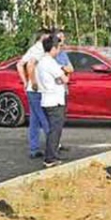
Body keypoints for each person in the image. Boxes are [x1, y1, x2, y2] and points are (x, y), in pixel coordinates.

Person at [35, 34, 68, 167]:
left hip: (46, 99)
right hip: (55, 100)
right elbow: (64, 78)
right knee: (55, 130)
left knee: (52, 129)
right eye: (58, 47)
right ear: (53, 48)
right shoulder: (50, 62)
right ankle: (50, 158)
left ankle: (52, 155)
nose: (59, 50)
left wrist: (59, 78)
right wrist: (63, 77)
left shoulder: (41, 61)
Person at [18, 30, 51, 158]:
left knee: (34, 120)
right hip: (37, 90)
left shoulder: (32, 49)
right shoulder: (39, 50)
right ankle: (53, 145)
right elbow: (30, 65)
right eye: (48, 39)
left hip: (32, 90)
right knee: (44, 118)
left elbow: (19, 64)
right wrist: (33, 82)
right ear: (42, 38)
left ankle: (34, 148)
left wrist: (25, 82)